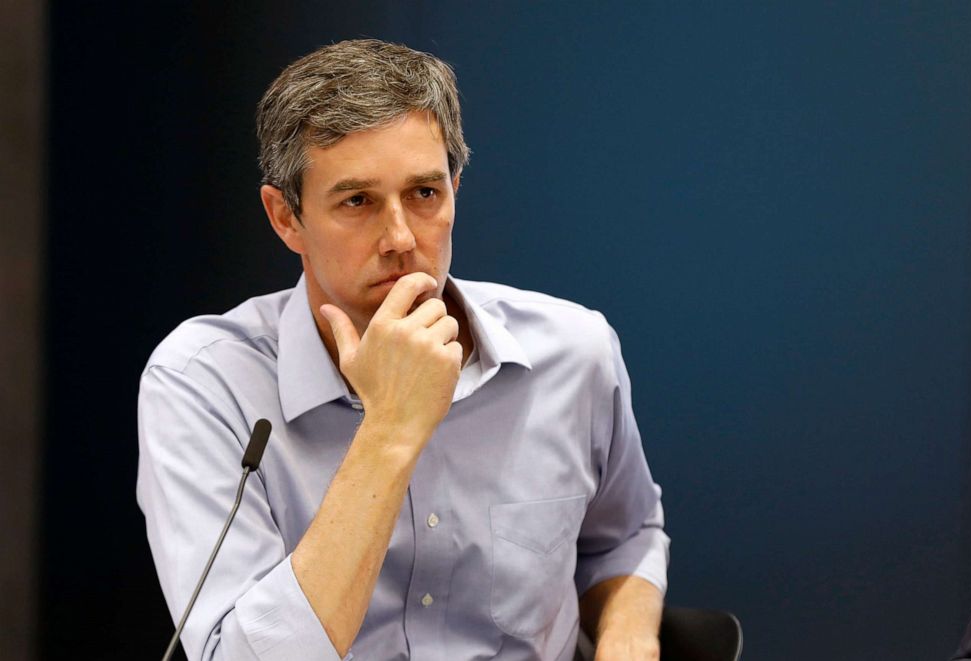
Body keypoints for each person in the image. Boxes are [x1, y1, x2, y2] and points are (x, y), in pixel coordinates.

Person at [137, 38, 669, 661]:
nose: (399, 238)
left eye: (424, 193)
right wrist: (390, 429)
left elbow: (623, 537)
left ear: (455, 189)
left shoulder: (575, 352)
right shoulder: (205, 384)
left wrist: (628, 639)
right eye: (357, 201)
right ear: (286, 217)